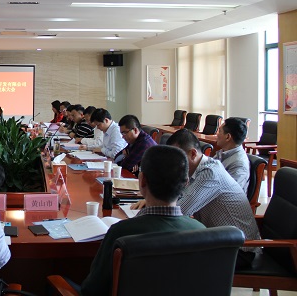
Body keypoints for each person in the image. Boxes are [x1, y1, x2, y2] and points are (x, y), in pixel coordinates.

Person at [72, 146, 205, 295]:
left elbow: (92, 289)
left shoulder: (121, 232)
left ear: (142, 180)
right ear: (186, 183)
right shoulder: (201, 231)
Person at [165, 128, 261, 268]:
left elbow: (180, 211)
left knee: (169, 256)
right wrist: (154, 198)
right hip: (221, 240)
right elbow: (179, 196)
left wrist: (155, 204)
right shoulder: (198, 170)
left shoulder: (210, 172)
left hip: (239, 250)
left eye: (176, 159)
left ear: (193, 154)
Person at [214, 117, 250, 192]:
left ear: (228, 137)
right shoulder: (222, 153)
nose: (216, 134)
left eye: (219, 131)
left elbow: (230, 193)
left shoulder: (239, 164)